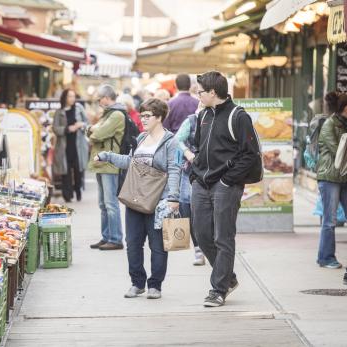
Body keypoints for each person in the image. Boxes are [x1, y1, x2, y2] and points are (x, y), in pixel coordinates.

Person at [96, 98, 180, 299]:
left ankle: (155, 285)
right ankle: (137, 283)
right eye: (141, 115)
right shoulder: (141, 138)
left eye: (147, 116)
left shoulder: (171, 141)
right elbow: (130, 162)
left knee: (157, 245)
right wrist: (106, 156)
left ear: (159, 117)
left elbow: (175, 170)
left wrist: (173, 197)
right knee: (133, 242)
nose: (143, 119)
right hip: (135, 199)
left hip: (158, 201)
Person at [191, 71, 260, 307]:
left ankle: (218, 289)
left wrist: (227, 180)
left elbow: (250, 154)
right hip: (201, 183)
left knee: (223, 237)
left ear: (212, 92)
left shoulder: (238, 116)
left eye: (200, 91)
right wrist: (194, 174)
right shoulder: (202, 116)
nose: (197, 95)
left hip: (225, 186)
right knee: (201, 235)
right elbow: (198, 148)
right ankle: (228, 278)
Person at [87, 84, 126, 251]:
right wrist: (93, 129)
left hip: (110, 163)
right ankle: (106, 236)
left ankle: (116, 239)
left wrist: (92, 130)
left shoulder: (116, 114)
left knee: (110, 203)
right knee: (103, 203)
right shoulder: (108, 114)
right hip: (101, 163)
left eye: (99, 98)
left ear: (106, 98)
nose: (98, 101)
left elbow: (97, 134)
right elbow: (93, 130)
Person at [315, 91, 347, 270]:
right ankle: (326, 257)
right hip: (330, 177)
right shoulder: (330, 125)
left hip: (344, 176)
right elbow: (339, 152)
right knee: (330, 220)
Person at [175, 102, 205, 266]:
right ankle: (199, 250)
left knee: (209, 211)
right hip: (191, 171)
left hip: (214, 171)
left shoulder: (218, 119)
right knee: (189, 209)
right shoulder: (192, 121)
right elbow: (177, 139)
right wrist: (187, 152)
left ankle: (209, 246)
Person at [52, 89, 89, 202]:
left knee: (78, 170)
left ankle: (78, 191)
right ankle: (67, 195)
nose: (72, 99)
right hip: (64, 146)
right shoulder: (59, 112)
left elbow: (87, 123)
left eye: (73, 96)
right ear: (64, 98)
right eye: (70, 96)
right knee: (65, 171)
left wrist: (80, 125)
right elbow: (55, 128)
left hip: (78, 145)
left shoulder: (79, 108)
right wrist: (68, 129)